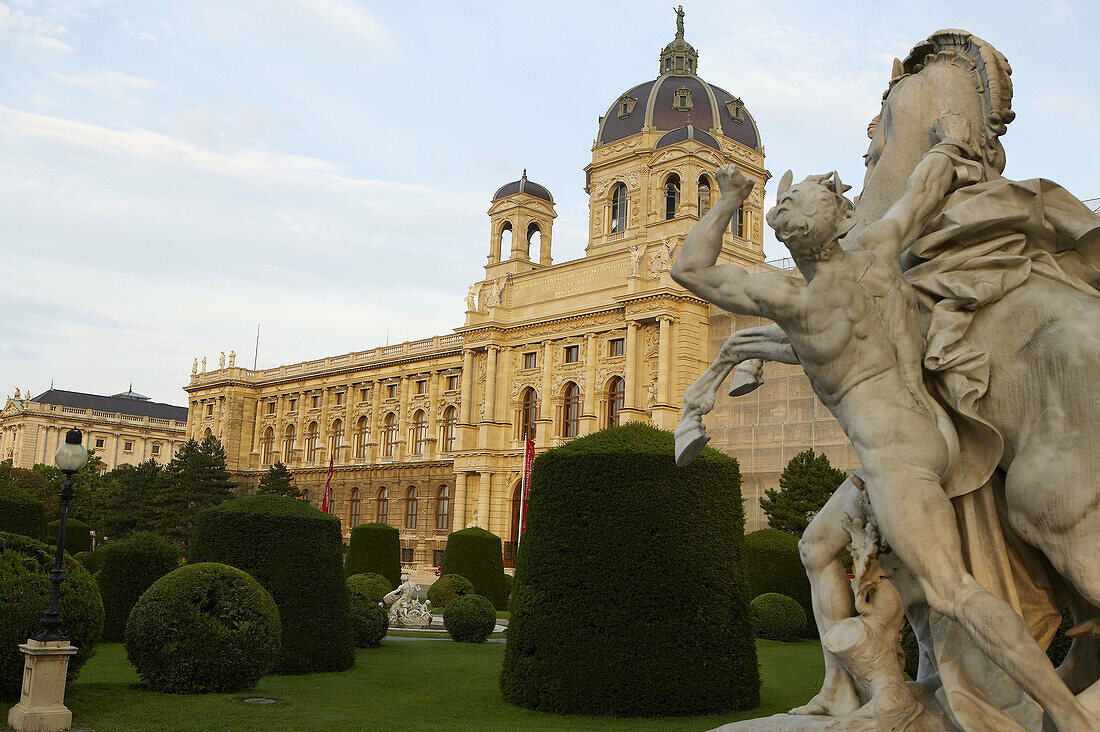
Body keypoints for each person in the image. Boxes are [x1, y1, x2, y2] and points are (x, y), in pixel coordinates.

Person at [670, 112, 1098, 730]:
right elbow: (923, 188)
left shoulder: (795, 298)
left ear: (803, 229)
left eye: (792, 199)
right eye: (784, 198)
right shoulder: (875, 250)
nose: (786, 203)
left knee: (953, 592)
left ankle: (1068, 718)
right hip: (936, 435)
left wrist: (728, 198)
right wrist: (950, 141)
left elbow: (690, 270)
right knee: (817, 544)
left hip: (896, 458)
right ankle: (844, 691)